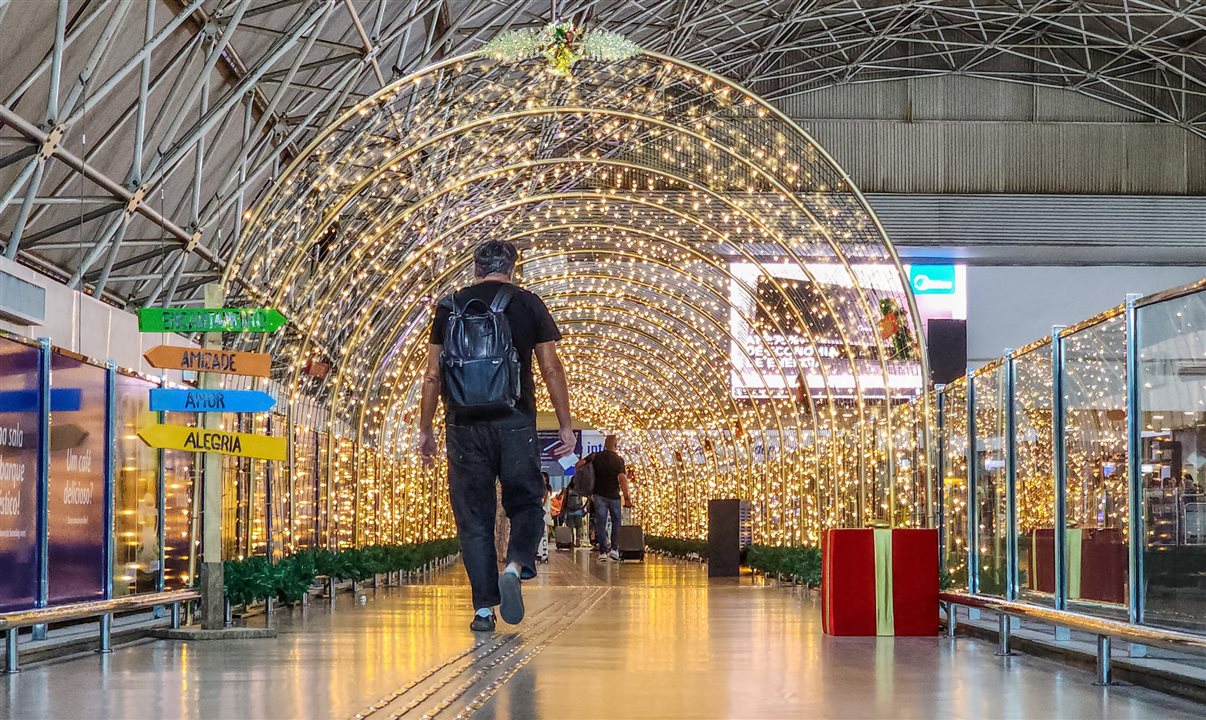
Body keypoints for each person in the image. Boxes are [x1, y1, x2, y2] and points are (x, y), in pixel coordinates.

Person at [419, 240, 575, 633]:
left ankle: (484, 610)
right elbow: (551, 368)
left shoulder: (448, 307)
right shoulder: (527, 304)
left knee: (474, 515)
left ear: (475, 268)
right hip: (515, 420)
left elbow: (433, 375)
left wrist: (425, 429)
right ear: (512, 268)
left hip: (463, 425)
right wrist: (564, 423)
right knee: (525, 500)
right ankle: (516, 563)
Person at [579, 435, 631, 562]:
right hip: (614, 495)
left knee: (600, 523)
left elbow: (578, 465)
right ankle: (614, 549)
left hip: (598, 495)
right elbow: (622, 479)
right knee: (616, 522)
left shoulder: (595, 456)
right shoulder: (618, 460)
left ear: (605, 444)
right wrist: (627, 497)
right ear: (616, 445)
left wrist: (586, 479)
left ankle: (602, 551)